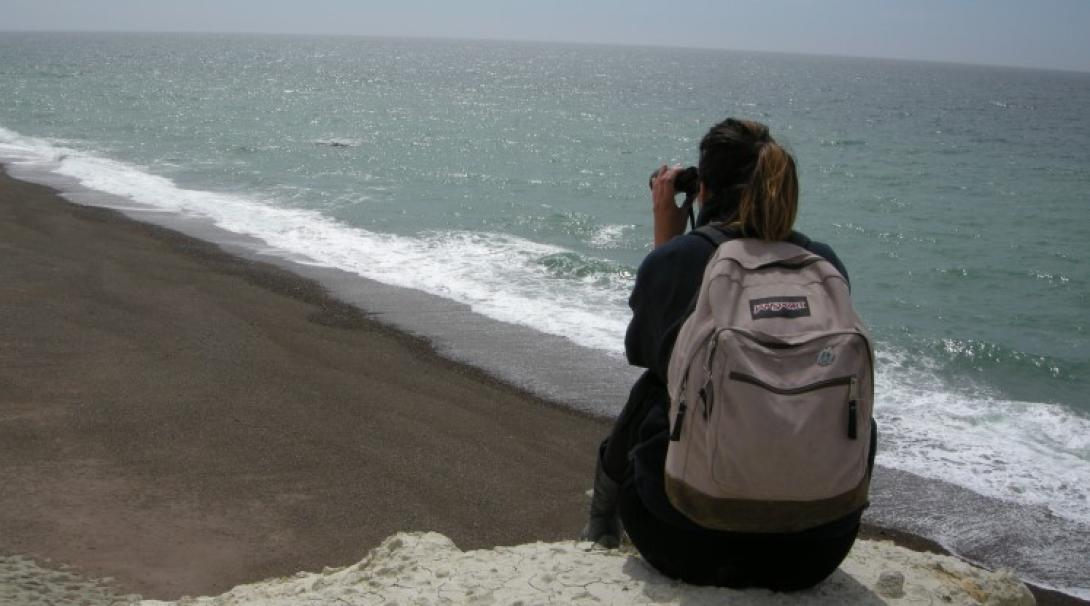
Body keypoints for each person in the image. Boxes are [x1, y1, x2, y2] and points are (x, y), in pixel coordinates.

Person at [581, 117, 876, 591]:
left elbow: (649, 354)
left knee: (657, 388)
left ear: (702, 188)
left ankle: (600, 518)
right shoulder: (825, 265)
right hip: (817, 550)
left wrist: (669, 243)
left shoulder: (678, 259)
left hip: (689, 543)